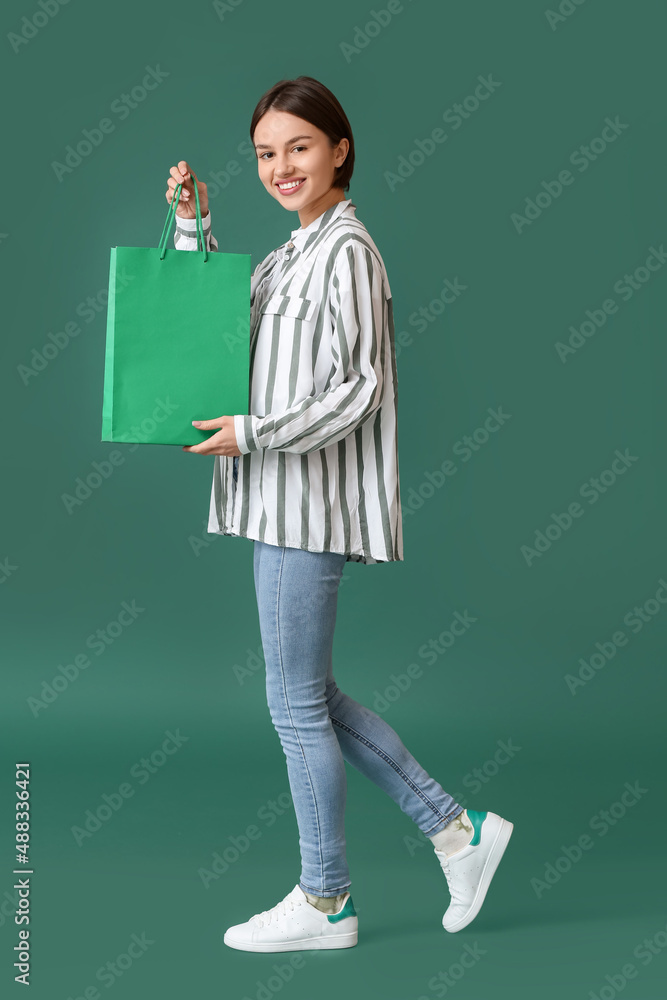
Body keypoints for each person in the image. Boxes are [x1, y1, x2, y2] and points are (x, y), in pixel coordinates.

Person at [166, 75, 513, 953]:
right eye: (266, 154)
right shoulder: (294, 252)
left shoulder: (349, 251)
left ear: (339, 148)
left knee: (293, 707)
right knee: (308, 696)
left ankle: (326, 902)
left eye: (299, 147)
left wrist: (255, 431)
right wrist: (193, 227)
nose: (282, 166)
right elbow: (223, 330)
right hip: (277, 501)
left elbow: (358, 390)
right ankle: (457, 832)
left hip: (305, 507)